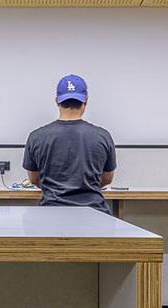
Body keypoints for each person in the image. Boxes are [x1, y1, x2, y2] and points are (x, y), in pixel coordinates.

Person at [22, 74, 117, 214]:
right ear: (86, 100)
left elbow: (34, 179)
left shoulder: (36, 137)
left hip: (51, 214)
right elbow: (107, 179)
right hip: (95, 215)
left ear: (57, 101)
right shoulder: (103, 136)